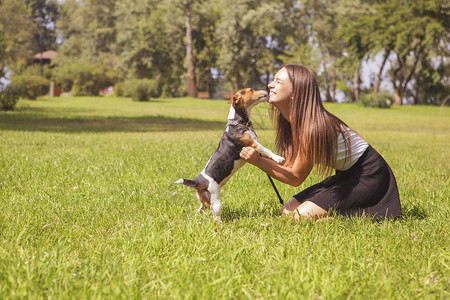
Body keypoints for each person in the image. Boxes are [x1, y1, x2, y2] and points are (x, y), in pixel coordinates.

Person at [239, 64, 402, 221]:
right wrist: (261, 155)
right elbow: (289, 164)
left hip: (369, 176)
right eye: (273, 80)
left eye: (278, 82)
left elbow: (296, 178)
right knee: (287, 211)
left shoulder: (312, 127)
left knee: (299, 217)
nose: (270, 85)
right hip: (345, 175)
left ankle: (343, 217)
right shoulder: (291, 121)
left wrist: (258, 161)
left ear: (295, 92)